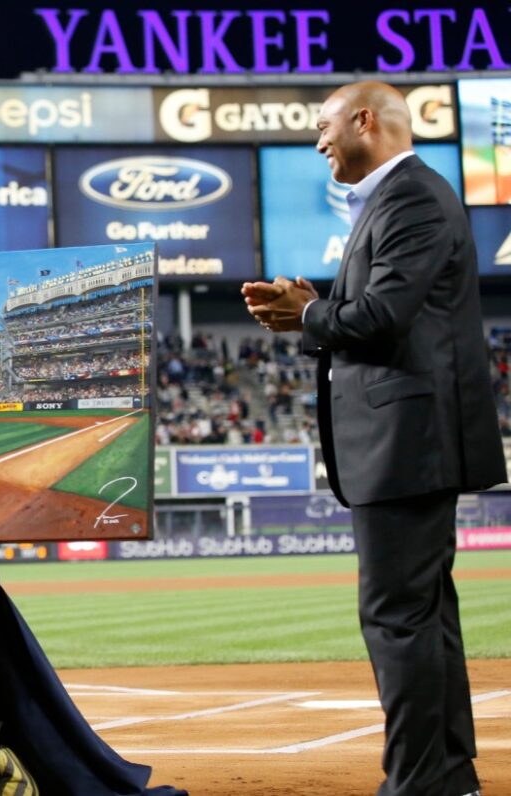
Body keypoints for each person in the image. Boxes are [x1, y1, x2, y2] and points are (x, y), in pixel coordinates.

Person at [242, 82, 503, 796]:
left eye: (324, 126)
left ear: (364, 120)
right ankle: (447, 778)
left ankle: (418, 785)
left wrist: (313, 312)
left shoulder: (412, 195)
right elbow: (384, 317)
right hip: (408, 440)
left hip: (408, 443)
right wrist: (308, 314)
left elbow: (382, 315)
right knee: (423, 617)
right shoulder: (399, 197)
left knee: (397, 620)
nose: (319, 141)